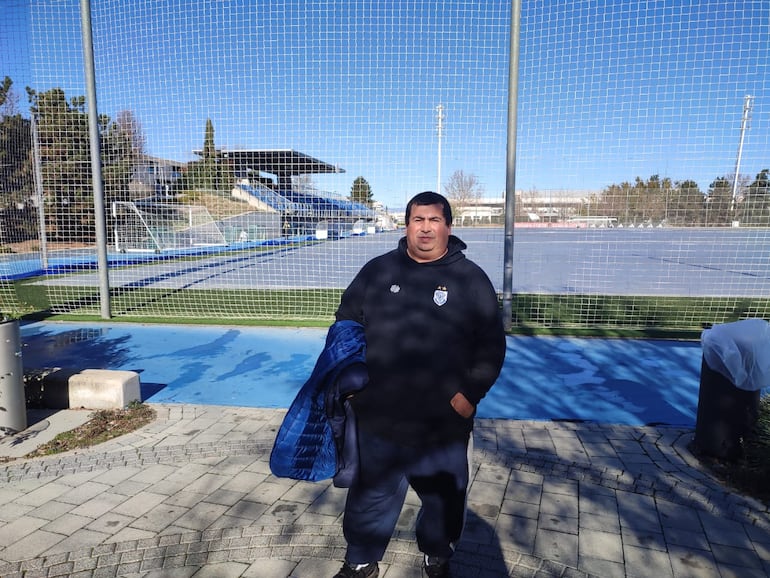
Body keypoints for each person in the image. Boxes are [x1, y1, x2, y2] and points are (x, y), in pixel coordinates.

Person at [333, 191, 507, 578]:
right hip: (379, 415)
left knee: (443, 497)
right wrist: (349, 379)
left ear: (447, 225)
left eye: (434, 220)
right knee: (371, 495)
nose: (425, 228)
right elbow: (346, 324)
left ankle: (437, 554)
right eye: (417, 220)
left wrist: (469, 396)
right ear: (406, 224)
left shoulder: (470, 278)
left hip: (442, 421)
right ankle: (361, 560)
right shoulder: (378, 271)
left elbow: (492, 345)